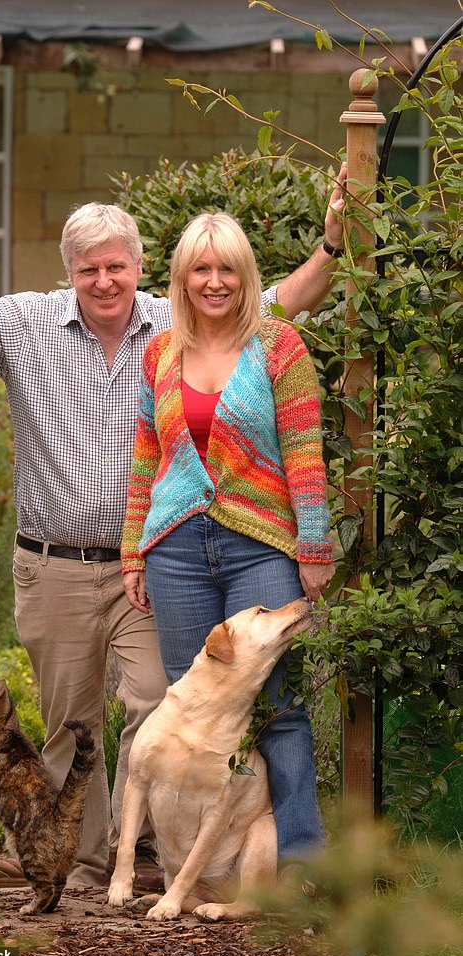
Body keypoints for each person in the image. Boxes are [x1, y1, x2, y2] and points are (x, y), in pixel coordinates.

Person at [0, 163, 345, 889]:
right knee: (80, 719)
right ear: (69, 270)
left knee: (192, 705)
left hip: (204, 555)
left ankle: (226, 859)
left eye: (117, 265)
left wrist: (331, 244)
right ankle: (92, 864)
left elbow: (288, 340)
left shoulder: (216, 330)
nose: (104, 280)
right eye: (89, 268)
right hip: (101, 561)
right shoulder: (74, 331)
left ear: (139, 267)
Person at [121, 211, 336, 867]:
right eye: (201, 269)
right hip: (177, 552)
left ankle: (298, 860)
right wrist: (135, 550)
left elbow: (303, 451)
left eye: (226, 270)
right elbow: (145, 456)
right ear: (183, 279)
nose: (214, 282)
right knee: (193, 708)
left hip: (261, 550)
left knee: (277, 707)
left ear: (245, 277)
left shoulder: (279, 346)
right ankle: (204, 863)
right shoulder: (159, 352)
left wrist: (315, 547)